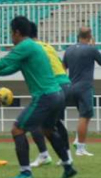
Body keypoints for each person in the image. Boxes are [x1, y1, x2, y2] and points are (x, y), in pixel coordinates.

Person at [0, 16, 77, 178]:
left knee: (17, 130)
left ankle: (25, 172)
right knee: (49, 130)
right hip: (56, 94)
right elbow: (9, 68)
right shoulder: (32, 47)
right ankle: (68, 165)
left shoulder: (25, 46)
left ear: (16, 32)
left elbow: (3, 62)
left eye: (11, 33)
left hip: (45, 96)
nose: (10, 36)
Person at [29, 22, 72, 167]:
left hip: (53, 86)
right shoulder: (48, 46)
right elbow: (62, 65)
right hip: (64, 83)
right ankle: (67, 156)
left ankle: (44, 155)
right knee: (55, 123)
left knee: (34, 120)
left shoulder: (32, 48)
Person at [63, 27, 101, 156]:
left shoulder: (69, 49)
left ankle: (77, 140)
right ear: (90, 36)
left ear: (78, 35)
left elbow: (63, 67)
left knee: (82, 116)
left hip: (70, 86)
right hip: (84, 87)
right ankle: (80, 148)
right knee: (85, 116)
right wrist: (94, 47)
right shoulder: (91, 49)